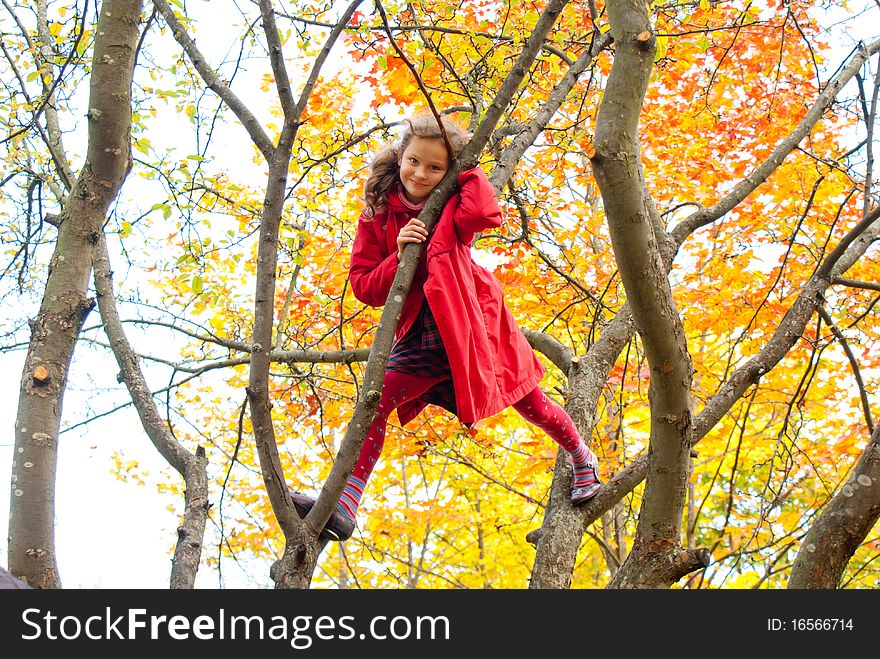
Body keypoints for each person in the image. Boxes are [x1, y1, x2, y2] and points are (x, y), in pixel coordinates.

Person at [290, 112, 602, 541]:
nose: (421, 173)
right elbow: (364, 286)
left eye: (436, 167)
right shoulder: (378, 213)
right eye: (414, 161)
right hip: (423, 333)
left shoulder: (453, 201)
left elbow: (483, 213)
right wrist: (398, 257)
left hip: (474, 324)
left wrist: (467, 170)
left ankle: (582, 457)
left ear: (449, 171)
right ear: (400, 155)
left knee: (528, 401)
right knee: (374, 401)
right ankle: (344, 504)